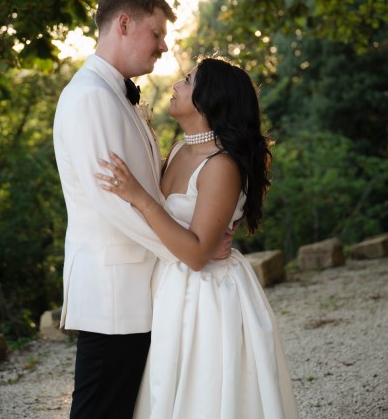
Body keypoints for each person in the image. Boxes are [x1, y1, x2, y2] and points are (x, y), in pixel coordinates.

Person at [96, 57, 299, 419]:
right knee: (165, 389)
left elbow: (196, 255)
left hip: (209, 298)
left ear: (210, 99)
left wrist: (139, 196)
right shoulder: (178, 150)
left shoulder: (221, 165)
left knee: (203, 394)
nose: (175, 84)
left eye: (187, 80)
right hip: (170, 286)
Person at [54, 0, 200, 419]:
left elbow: (145, 189)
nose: (164, 45)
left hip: (133, 289)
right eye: (156, 33)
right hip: (112, 293)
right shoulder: (91, 98)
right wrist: (183, 251)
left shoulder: (117, 95)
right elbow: (113, 203)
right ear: (123, 24)